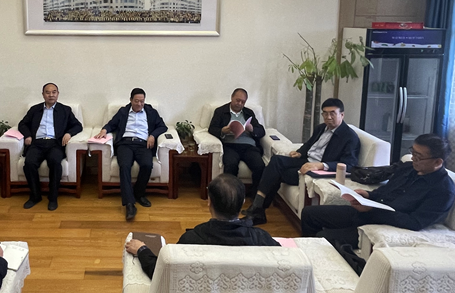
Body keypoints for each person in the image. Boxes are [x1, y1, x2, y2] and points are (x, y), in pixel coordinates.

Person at [301, 134, 455, 248]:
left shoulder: (443, 191)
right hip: (367, 212)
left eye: (419, 157)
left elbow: (415, 222)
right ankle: (307, 258)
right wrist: (368, 195)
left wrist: (374, 210)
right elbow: (386, 190)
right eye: (413, 152)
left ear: (437, 162)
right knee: (310, 213)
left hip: (383, 225)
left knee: (323, 238)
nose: (413, 159)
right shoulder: (408, 168)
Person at [125, 174, 279, 279]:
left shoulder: (191, 240)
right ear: (242, 203)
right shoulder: (262, 238)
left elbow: (161, 273)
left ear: (209, 202)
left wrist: (142, 250)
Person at [243, 98, 360, 226]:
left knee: (275, 173)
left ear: (342, 114)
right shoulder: (321, 128)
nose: (328, 117)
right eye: (325, 113)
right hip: (305, 160)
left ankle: (257, 209)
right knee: (276, 161)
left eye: (332, 113)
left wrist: (321, 165)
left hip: (316, 170)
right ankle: (258, 210)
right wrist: (299, 152)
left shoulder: (350, 137)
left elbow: (349, 164)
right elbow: (309, 144)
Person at [95, 88, 167, 221]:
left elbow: (163, 126)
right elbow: (111, 124)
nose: (139, 104)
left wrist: (152, 135)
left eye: (142, 101)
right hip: (125, 144)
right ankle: (129, 203)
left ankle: (139, 193)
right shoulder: (123, 111)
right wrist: (104, 130)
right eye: (136, 101)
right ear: (131, 100)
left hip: (143, 144)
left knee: (147, 165)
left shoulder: (151, 112)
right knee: (124, 166)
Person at [18, 83, 83, 211]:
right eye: (48, 92)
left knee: (55, 162)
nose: (51, 95)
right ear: (43, 95)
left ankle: (53, 197)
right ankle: (35, 196)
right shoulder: (35, 109)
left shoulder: (65, 110)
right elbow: (22, 124)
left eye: (54, 92)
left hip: (55, 144)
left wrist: (69, 133)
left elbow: (77, 125)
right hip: (37, 143)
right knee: (29, 163)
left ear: (58, 94)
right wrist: (28, 135)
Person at [208, 88, 266, 192]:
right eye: (237, 100)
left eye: (243, 102)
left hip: (249, 146)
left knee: (259, 166)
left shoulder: (249, 113)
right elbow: (212, 129)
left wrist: (252, 129)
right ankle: (231, 194)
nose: (239, 104)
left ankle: (255, 195)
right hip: (230, 145)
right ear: (232, 98)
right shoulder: (220, 111)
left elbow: (261, 131)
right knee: (230, 165)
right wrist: (222, 131)